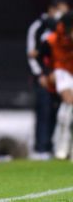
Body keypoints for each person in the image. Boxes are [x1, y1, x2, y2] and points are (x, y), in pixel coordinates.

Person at [26, 0, 68, 160]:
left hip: (60, 77)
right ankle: (40, 148)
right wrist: (40, 75)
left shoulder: (63, 28)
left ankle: (55, 147)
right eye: (61, 10)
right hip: (44, 78)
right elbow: (32, 53)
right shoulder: (38, 27)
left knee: (59, 112)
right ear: (52, 9)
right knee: (44, 111)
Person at [38, 11, 73, 160]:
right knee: (69, 101)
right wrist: (46, 74)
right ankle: (62, 145)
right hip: (62, 71)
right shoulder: (53, 39)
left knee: (67, 108)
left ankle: (62, 144)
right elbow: (41, 55)